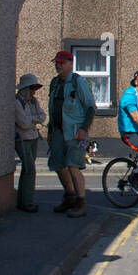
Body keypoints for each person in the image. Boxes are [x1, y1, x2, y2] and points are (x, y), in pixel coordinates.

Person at [46, 51, 96, 217]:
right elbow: (53, 108)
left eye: (61, 63)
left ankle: (81, 203)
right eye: (56, 63)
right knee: (58, 164)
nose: (58, 65)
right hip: (58, 131)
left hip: (75, 132)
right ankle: (70, 197)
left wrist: (84, 129)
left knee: (73, 166)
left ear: (70, 64)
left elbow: (90, 107)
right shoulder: (55, 83)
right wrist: (50, 130)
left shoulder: (77, 82)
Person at [13, 73, 46, 212]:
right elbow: (23, 123)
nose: (34, 92)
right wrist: (34, 120)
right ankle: (27, 202)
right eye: (32, 88)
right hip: (22, 139)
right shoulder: (16, 102)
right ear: (25, 88)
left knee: (27, 170)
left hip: (33, 138)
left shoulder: (33, 101)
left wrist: (32, 120)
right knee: (30, 169)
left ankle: (23, 200)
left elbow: (43, 116)